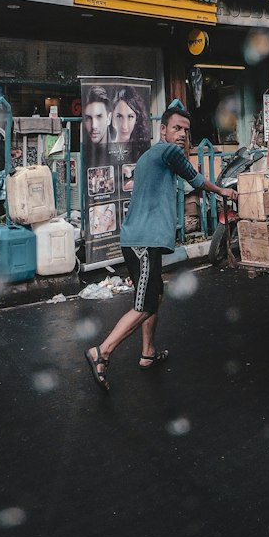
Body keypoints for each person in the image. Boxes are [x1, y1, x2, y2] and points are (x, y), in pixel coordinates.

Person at [84, 99, 236, 392]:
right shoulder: (167, 151)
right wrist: (222, 191)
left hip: (141, 241)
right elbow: (195, 178)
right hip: (143, 242)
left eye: (186, 131)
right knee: (145, 304)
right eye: (176, 128)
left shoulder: (151, 156)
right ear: (163, 130)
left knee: (156, 295)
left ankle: (148, 352)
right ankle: (101, 351)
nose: (182, 135)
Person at [110, 85, 152, 162]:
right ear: (112, 119)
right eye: (119, 116)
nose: (124, 126)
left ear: (137, 119)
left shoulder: (143, 150)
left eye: (130, 117)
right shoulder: (104, 151)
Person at [82, 85, 112, 168]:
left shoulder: (120, 150)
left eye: (99, 117)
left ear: (109, 118)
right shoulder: (83, 154)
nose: (93, 126)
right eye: (88, 118)